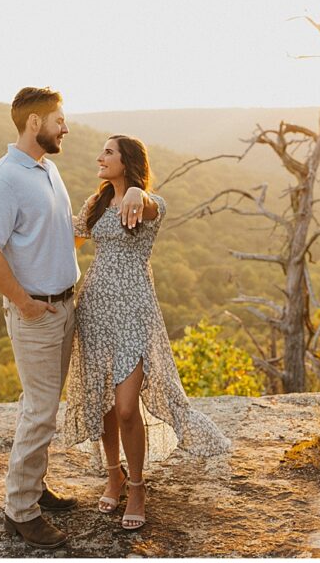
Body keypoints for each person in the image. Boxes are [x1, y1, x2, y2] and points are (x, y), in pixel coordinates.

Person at [0, 88, 150, 549]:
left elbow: (70, 230)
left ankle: (32, 486)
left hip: (67, 306)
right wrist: (25, 302)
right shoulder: (2, 180)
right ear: (35, 123)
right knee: (40, 411)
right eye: (59, 120)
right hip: (37, 310)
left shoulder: (46, 169)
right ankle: (21, 511)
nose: (65, 128)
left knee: (40, 405)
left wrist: (135, 191)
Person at [63, 135, 231, 532]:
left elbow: (150, 205)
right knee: (102, 401)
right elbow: (69, 241)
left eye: (108, 152)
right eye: (101, 151)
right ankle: (113, 473)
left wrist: (137, 189)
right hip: (95, 308)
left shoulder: (151, 205)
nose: (99, 157)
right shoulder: (96, 203)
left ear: (128, 162)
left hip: (134, 312)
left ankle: (137, 486)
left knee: (125, 407)